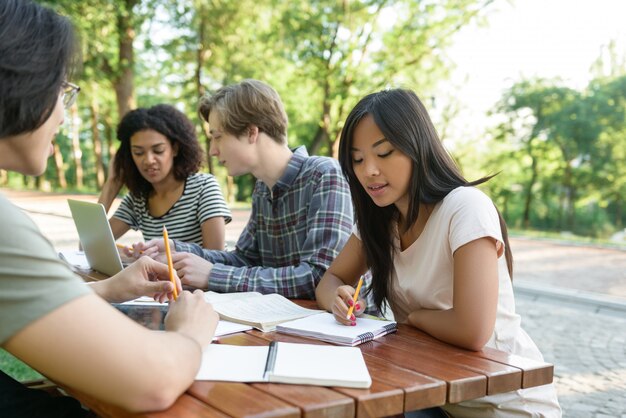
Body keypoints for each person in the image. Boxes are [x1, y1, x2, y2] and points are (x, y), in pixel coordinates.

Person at [0, 1, 218, 416]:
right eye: (61, 90)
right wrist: (190, 332)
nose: (64, 115)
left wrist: (107, 289)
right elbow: (152, 383)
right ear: (19, 83)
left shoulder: (202, 187)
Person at [315, 89, 561, 417]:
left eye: (384, 152)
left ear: (417, 147)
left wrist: (413, 318)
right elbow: (330, 279)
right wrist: (338, 298)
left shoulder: (465, 208)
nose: (369, 170)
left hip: (505, 403)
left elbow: (472, 330)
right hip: (433, 397)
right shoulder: (379, 222)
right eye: (358, 160)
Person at [137, 79, 354, 299]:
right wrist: (179, 251)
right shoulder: (262, 189)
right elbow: (245, 260)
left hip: (344, 328)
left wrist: (213, 274)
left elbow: (319, 277)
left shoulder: (324, 175)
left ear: (252, 132)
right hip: (282, 323)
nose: (212, 150)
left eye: (218, 137)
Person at [98, 104, 231, 250]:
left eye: (158, 150)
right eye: (138, 152)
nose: (148, 160)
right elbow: (89, 245)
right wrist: (112, 183)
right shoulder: (138, 200)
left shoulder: (204, 187)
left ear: (175, 149)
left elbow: (216, 256)